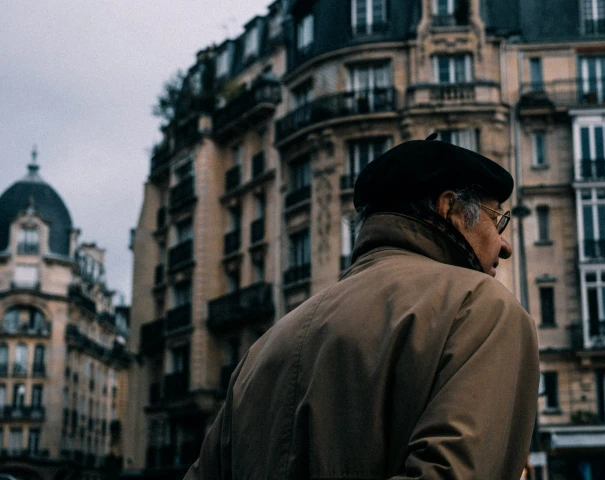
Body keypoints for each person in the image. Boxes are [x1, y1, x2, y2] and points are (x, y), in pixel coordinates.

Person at [185, 136, 540, 479]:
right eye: (497, 220)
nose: (504, 245)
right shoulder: (479, 306)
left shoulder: (266, 346)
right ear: (451, 210)